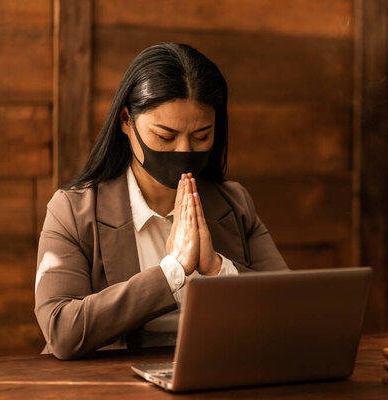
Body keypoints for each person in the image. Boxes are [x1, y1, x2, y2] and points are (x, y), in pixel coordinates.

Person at [34, 43, 288, 360]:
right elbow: (61, 330)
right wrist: (171, 273)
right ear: (126, 120)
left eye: (201, 136)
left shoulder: (234, 202)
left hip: (220, 374)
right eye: (165, 136)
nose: (183, 151)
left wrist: (220, 270)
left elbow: (289, 306)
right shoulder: (71, 210)